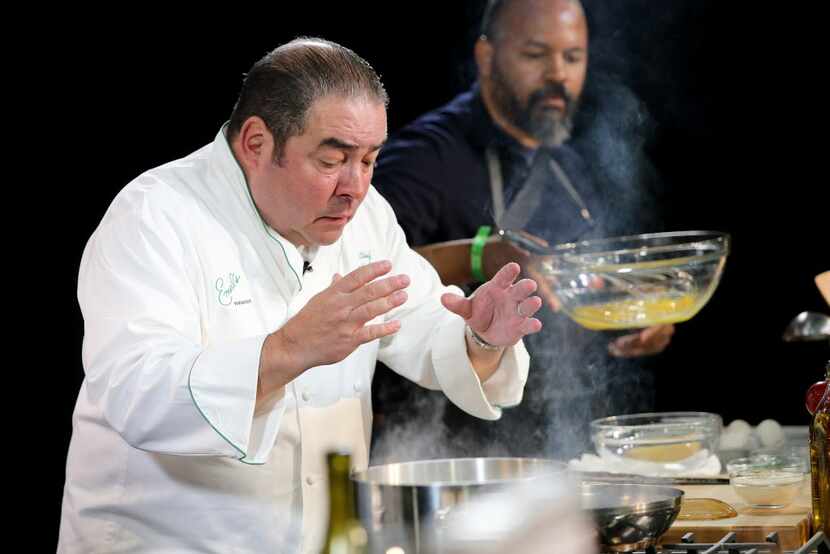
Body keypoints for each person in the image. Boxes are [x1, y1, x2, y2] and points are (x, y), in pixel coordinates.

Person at [58, 38, 544, 554]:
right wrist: (288, 349)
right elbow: (138, 395)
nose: (354, 187)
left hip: (321, 537)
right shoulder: (156, 217)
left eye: (370, 160)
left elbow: (426, 325)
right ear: (256, 143)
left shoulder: (367, 217)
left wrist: (480, 339)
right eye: (333, 159)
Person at [371, 0, 674, 462]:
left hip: (562, 442)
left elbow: (577, 281)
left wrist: (635, 307)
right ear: (486, 57)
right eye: (536, 55)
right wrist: (478, 256)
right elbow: (367, 271)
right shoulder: (423, 160)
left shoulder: (571, 165)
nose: (558, 74)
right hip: (446, 451)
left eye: (572, 57)